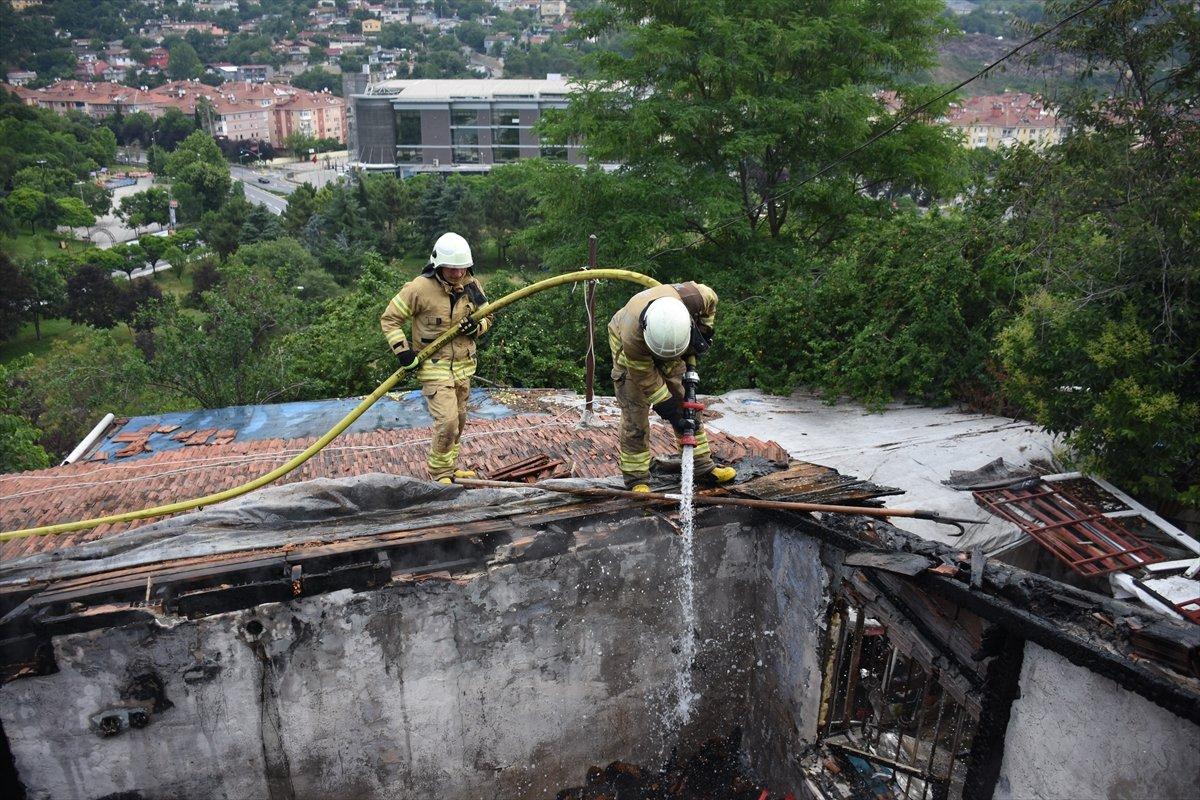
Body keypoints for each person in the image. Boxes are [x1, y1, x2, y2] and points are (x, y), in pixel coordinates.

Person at [380, 232, 493, 484]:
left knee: (460, 422)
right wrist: (403, 351)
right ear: (438, 265)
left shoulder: (472, 286)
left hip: (464, 367)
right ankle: (439, 473)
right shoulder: (419, 289)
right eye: (451, 269)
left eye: (462, 268)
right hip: (434, 366)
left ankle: (450, 468)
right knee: (448, 422)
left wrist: (477, 328)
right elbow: (390, 319)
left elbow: (489, 317)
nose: (457, 274)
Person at [608, 281, 737, 492]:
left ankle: (702, 467)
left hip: (672, 343)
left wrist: (705, 329)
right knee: (635, 414)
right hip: (630, 353)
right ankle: (637, 479)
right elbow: (646, 379)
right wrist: (667, 407)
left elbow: (711, 298)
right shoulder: (632, 340)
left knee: (687, 402)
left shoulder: (695, 297)